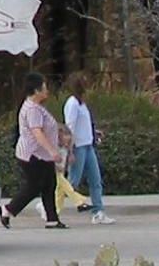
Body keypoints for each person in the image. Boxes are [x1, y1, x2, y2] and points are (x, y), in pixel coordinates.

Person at [0, 73, 66, 230]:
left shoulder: (37, 107)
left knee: (49, 184)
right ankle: (8, 209)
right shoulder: (32, 109)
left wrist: (58, 138)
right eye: (44, 87)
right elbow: (37, 132)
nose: (47, 90)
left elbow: (48, 127)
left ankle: (52, 219)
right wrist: (52, 151)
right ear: (36, 90)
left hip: (42, 155)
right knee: (35, 185)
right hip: (32, 154)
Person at [62, 74, 113, 224]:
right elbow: (70, 127)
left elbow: (82, 125)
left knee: (95, 180)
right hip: (78, 147)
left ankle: (98, 211)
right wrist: (70, 150)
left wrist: (93, 133)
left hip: (88, 145)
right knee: (72, 182)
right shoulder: (72, 103)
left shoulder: (82, 104)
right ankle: (48, 205)